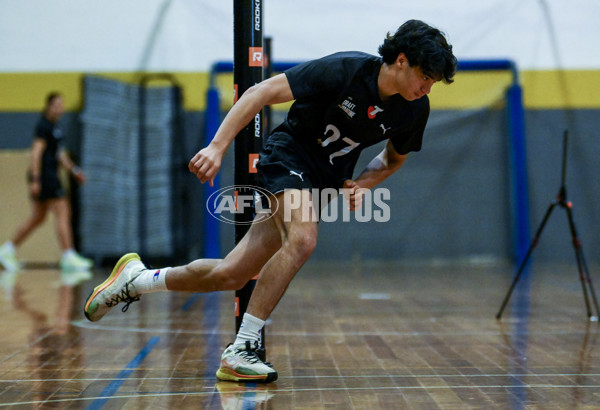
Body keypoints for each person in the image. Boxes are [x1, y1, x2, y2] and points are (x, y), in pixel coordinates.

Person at [83, 20, 457, 383]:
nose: (428, 87)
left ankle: (137, 280)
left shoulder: (413, 109)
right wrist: (217, 146)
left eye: (435, 83)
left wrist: (363, 183)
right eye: (426, 76)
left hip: (320, 181)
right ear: (403, 60)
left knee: (231, 273)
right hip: (289, 157)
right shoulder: (345, 69)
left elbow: (393, 159)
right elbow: (258, 93)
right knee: (304, 240)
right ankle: (241, 349)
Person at [0, 92, 93, 272]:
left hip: (49, 176)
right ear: (48, 106)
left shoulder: (55, 128)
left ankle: (7, 249)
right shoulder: (43, 126)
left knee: (38, 218)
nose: (60, 108)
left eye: (62, 105)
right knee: (63, 211)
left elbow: (61, 155)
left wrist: (74, 171)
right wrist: (35, 179)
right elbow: (36, 153)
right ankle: (68, 255)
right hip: (46, 176)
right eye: (56, 104)